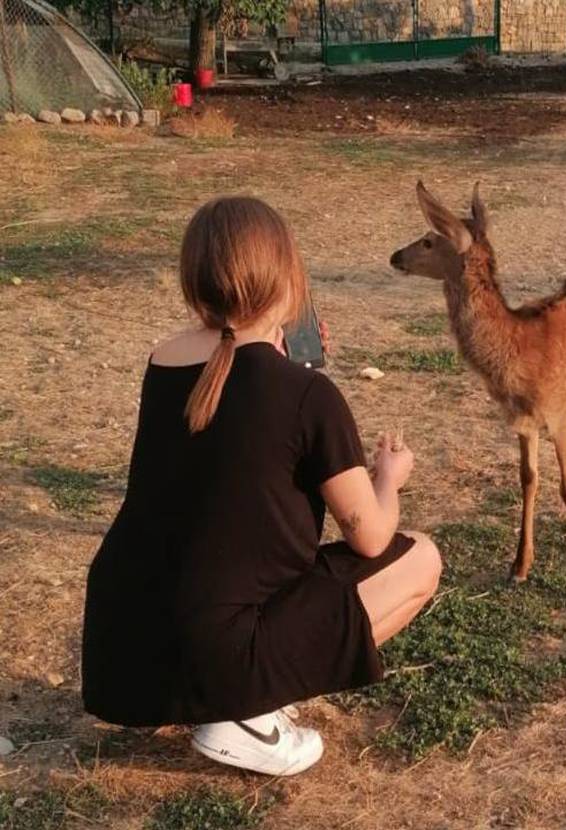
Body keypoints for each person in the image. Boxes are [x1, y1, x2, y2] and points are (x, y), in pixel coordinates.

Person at [81, 196, 441, 776]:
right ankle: (246, 715)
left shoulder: (161, 361)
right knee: (419, 558)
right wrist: (388, 478)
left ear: (194, 280)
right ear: (287, 280)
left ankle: (235, 701)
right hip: (216, 654)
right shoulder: (305, 395)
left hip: (121, 653)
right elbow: (371, 536)